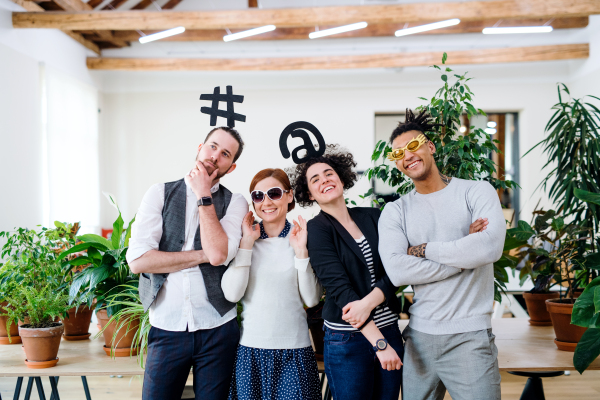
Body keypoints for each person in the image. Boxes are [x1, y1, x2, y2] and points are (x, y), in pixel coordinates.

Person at [378, 109, 505, 400]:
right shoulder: (395, 211)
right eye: (398, 154)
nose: (406, 156)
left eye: (412, 146)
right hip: (419, 338)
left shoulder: (476, 192)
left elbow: (489, 248)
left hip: (470, 337)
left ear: (430, 146)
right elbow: (398, 271)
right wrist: (464, 256)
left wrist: (423, 250)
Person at [126, 126, 249, 400]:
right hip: (167, 326)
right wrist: (202, 255)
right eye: (212, 146)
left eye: (225, 154)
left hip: (218, 327)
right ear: (199, 147)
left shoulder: (235, 202)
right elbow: (138, 261)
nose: (216, 156)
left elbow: (218, 255)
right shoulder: (159, 193)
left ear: (232, 165)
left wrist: (204, 195)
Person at [289, 146, 403, 400]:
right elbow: (341, 291)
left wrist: (370, 305)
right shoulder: (318, 230)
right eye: (315, 179)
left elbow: (398, 268)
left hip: (389, 330)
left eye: (329, 173)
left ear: (341, 177)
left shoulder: (374, 216)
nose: (325, 180)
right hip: (348, 341)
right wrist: (379, 344)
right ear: (309, 193)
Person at [222, 168, 322, 400]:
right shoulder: (244, 241)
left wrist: (300, 252)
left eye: (274, 193)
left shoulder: (302, 238)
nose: (266, 202)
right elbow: (232, 294)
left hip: (295, 352)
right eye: (258, 196)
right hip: (251, 353)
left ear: (289, 196)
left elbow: (311, 299)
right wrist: (246, 244)